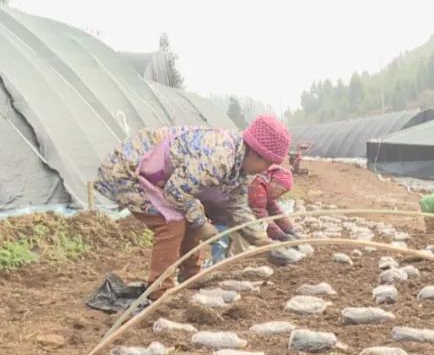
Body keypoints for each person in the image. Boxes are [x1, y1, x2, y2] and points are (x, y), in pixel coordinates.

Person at [93, 115, 291, 298]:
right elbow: (175, 192)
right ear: (256, 155)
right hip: (127, 171)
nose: (265, 171)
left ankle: (190, 274)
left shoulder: (239, 165)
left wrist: (261, 240)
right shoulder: (219, 157)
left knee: (192, 212)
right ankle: (159, 289)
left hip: (158, 177)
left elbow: (238, 205)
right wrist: (202, 224)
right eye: (267, 164)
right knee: (172, 222)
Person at [249, 166, 299, 241]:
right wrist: (280, 235)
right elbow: (260, 216)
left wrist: (291, 230)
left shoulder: (268, 190)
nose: (280, 195)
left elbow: (276, 212)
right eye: (281, 191)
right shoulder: (258, 187)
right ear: (274, 182)